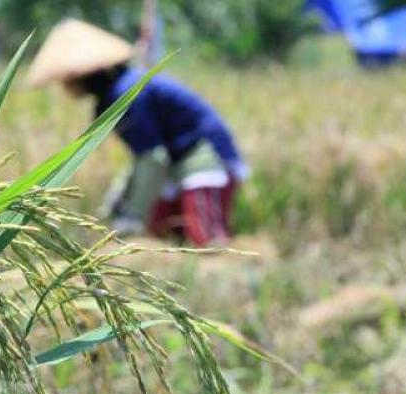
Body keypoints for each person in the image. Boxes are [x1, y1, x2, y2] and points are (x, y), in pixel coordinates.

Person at [26, 19, 249, 247]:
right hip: (174, 164)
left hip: (203, 158)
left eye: (68, 79)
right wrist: (116, 203)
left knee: (204, 235)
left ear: (85, 75)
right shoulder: (111, 99)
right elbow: (141, 157)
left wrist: (133, 216)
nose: (66, 87)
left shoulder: (128, 92)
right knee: (162, 229)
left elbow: (152, 158)